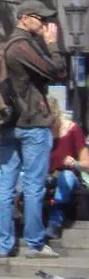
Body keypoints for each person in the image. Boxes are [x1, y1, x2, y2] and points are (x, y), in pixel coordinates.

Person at [0, 0, 67, 259]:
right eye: (40, 18)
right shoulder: (22, 45)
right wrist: (52, 44)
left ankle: (4, 245)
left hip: (8, 124)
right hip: (32, 123)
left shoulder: (3, 45)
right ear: (24, 18)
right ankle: (35, 243)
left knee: (6, 184)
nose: (45, 23)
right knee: (34, 185)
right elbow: (58, 72)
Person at [45, 99, 89, 239]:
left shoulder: (73, 129)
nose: (49, 127)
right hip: (47, 176)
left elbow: (86, 163)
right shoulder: (42, 132)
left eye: (51, 123)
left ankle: (55, 221)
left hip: (68, 176)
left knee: (66, 177)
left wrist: (75, 163)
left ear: (57, 115)